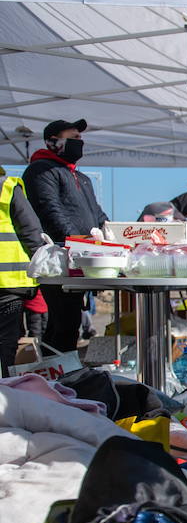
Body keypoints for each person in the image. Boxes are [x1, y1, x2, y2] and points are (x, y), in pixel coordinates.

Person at [23, 118, 106, 353]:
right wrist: (79, 245)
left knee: (71, 325)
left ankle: (65, 378)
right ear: (53, 142)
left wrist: (113, 237)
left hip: (83, 263)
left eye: (80, 139)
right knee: (61, 325)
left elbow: (98, 214)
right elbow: (50, 211)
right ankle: (55, 381)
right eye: (73, 138)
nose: (79, 143)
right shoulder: (41, 171)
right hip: (60, 261)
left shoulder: (82, 178)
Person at [0, 168, 44, 373]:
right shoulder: (7, 186)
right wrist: (44, 264)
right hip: (8, 282)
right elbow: (30, 230)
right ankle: (5, 391)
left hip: (9, 282)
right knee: (6, 339)